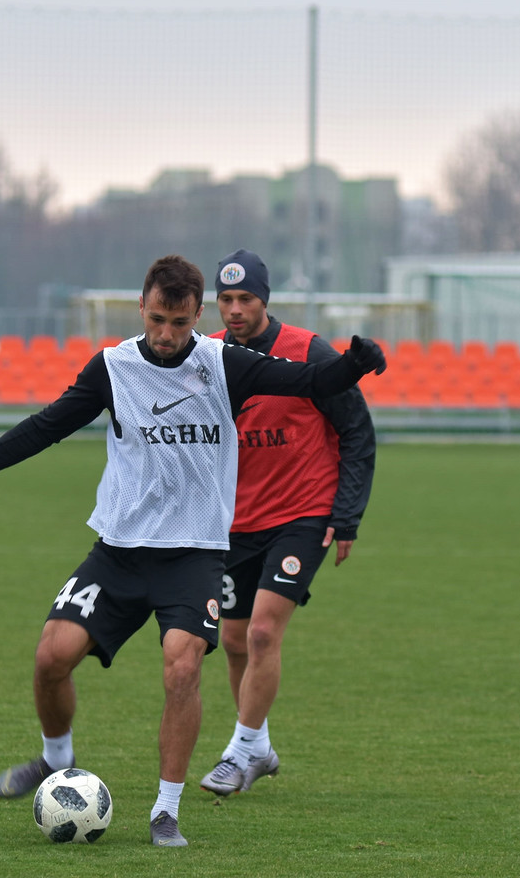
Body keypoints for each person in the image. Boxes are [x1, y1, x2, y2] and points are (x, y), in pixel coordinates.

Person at [0, 254, 386, 848]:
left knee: (183, 666)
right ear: (140, 307)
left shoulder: (223, 363)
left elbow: (311, 383)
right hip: (118, 551)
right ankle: (57, 760)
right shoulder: (113, 367)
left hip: (193, 557)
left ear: (196, 316)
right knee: (51, 656)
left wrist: (353, 366)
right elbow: (47, 425)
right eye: (157, 319)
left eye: (180, 323)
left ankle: (165, 809)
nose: (166, 335)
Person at [200, 249, 377, 797]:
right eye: (225, 299)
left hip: (304, 514)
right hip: (236, 521)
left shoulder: (308, 351)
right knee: (231, 641)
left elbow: (357, 430)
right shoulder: (209, 357)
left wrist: (345, 516)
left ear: (264, 300)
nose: (233, 310)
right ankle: (260, 746)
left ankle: (238, 753)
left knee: (260, 630)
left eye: (244, 299)